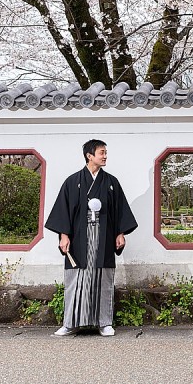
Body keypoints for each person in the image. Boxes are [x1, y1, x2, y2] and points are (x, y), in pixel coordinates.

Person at [45, 139, 138, 336]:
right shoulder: (72, 181)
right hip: (79, 237)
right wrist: (64, 235)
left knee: (103, 278)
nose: (105, 156)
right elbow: (64, 211)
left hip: (103, 236)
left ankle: (104, 322)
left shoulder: (111, 182)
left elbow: (119, 209)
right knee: (76, 278)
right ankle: (70, 323)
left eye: (105, 153)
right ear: (90, 155)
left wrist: (120, 232)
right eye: (101, 152)